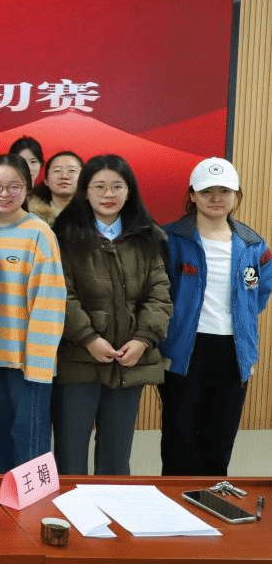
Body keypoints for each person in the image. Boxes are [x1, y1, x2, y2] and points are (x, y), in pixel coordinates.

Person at [52, 154, 171, 475]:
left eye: (117, 186)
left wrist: (143, 340)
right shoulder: (64, 236)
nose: (108, 194)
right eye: (99, 187)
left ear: (129, 191)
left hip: (129, 361)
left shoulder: (148, 236)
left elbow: (159, 295)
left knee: (116, 460)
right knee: (70, 456)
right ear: (85, 191)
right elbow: (61, 295)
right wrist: (88, 338)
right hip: (78, 360)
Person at [160, 158, 272, 476]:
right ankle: (176, 503)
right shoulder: (170, 239)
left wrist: (241, 321)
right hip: (184, 350)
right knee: (180, 440)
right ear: (192, 195)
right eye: (207, 191)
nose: (216, 198)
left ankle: (212, 500)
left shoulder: (253, 245)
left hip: (233, 352)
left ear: (237, 195)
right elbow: (157, 293)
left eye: (224, 191)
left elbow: (260, 293)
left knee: (219, 440)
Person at [0, 155, 67, 474]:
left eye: (13, 186)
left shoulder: (39, 233)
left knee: (29, 449)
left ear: (27, 187)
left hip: (26, 363)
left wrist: (39, 365)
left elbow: (49, 302)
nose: (3, 193)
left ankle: (32, 507)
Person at [28, 151, 82, 226]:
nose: (64, 176)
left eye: (72, 171)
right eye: (57, 171)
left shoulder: (92, 215)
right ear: (46, 181)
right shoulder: (31, 217)